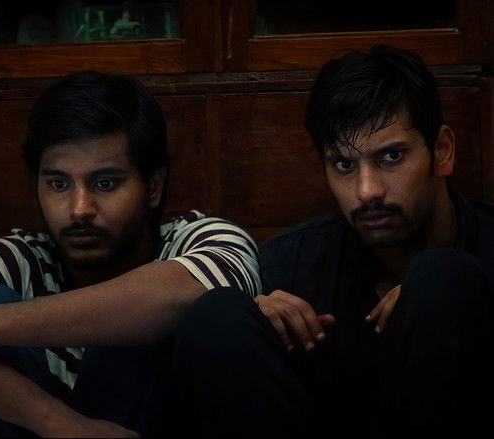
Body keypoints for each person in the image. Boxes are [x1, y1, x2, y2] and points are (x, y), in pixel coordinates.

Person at [0, 70, 262, 437]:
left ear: (154, 186)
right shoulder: (14, 260)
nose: (79, 209)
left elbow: (196, 291)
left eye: (105, 183)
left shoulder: (202, 238)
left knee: (140, 324)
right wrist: (58, 423)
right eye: (59, 184)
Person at [173, 44, 494, 437]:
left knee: (442, 280)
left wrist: (439, 300)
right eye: (344, 164)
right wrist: (258, 322)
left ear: (441, 152)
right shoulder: (293, 266)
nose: (367, 191)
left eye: (391, 157)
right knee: (217, 315)